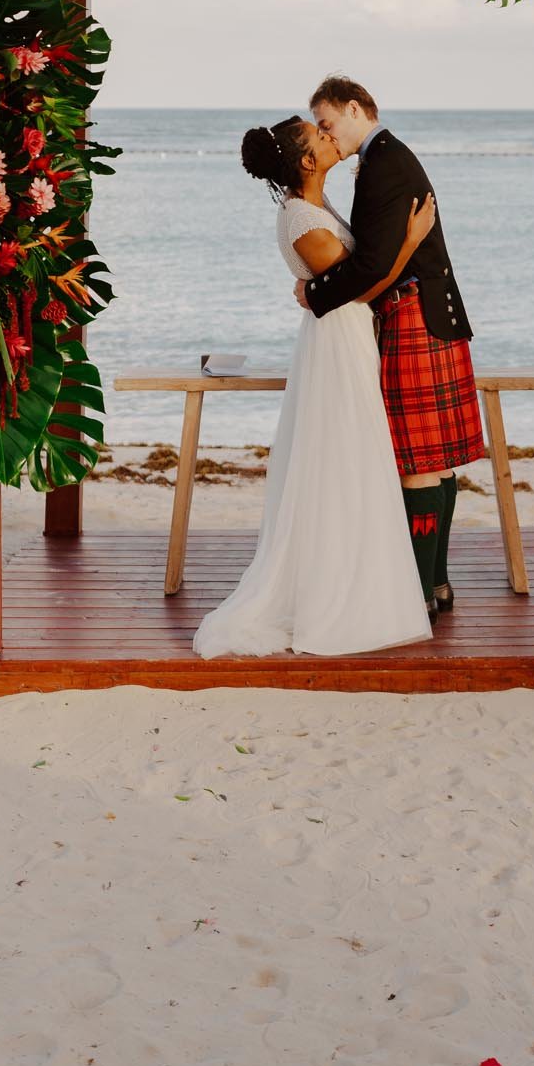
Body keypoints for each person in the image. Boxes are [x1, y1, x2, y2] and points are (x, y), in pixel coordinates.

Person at [191, 114, 438, 658]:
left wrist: (315, 287)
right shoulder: (303, 218)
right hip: (338, 345)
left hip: (346, 338)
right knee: (343, 462)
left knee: (350, 460)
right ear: (306, 159)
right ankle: (338, 600)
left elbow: (340, 281)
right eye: (319, 135)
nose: (330, 136)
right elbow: (364, 285)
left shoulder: (316, 208)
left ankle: (358, 584)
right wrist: (411, 239)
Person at [295, 76, 483, 617]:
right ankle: (437, 584)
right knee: (438, 460)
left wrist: (316, 292)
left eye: (328, 124)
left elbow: (374, 265)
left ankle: (419, 592)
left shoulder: (383, 165)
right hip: (429, 314)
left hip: (414, 316)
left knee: (418, 462)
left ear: (355, 109)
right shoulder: (389, 157)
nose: (327, 137)